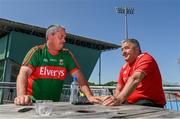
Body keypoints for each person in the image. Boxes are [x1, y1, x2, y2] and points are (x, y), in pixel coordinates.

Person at [14, 24, 101, 105]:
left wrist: (90, 96)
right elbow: (23, 74)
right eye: (61, 37)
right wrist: (21, 96)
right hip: (32, 104)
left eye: (65, 37)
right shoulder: (36, 52)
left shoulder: (67, 55)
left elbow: (79, 77)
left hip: (54, 105)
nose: (64, 40)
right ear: (50, 37)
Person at [102, 38, 166, 108]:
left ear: (136, 49)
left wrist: (119, 99)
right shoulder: (124, 67)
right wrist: (113, 101)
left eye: (126, 48)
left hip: (150, 103)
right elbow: (119, 88)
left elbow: (135, 78)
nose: (123, 52)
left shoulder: (145, 58)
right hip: (131, 104)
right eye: (122, 49)